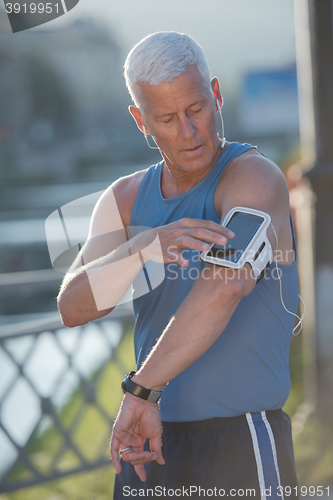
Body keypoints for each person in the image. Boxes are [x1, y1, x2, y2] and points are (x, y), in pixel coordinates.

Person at [58, 32, 299, 499]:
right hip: (149, 445)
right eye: (167, 118)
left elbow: (225, 285)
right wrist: (144, 247)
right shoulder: (124, 199)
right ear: (140, 121)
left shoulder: (252, 178)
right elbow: (74, 307)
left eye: (197, 109)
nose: (188, 132)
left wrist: (141, 390)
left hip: (240, 439)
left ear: (216, 94)